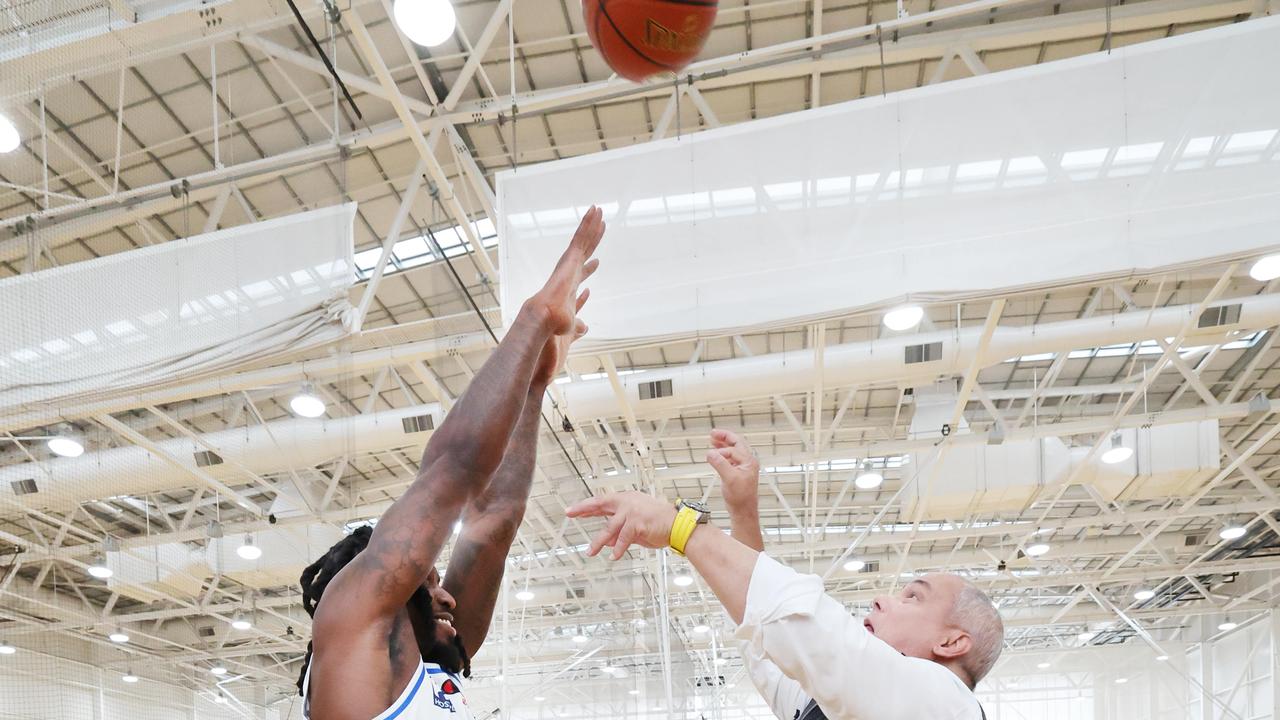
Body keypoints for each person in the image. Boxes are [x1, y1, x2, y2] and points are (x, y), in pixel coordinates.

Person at [296, 207, 606, 720]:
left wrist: (534, 388)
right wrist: (533, 320)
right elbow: (452, 471)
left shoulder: (432, 671)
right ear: (384, 595)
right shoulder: (354, 632)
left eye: (436, 581)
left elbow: (496, 517)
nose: (447, 597)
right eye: (429, 582)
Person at [567, 428, 1004, 720]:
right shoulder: (842, 704)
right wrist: (743, 510)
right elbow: (769, 643)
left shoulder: (946, 706)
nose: (881, 600)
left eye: (913, 597)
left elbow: (813, 631)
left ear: (951, 642)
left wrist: (681, 528)